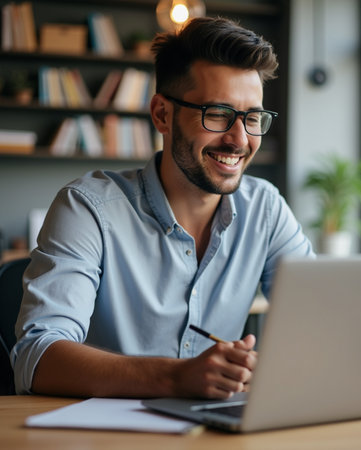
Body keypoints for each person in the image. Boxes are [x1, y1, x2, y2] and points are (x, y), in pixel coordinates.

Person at [12, 17, 314, 398]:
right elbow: (36, 359)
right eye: (218, 113)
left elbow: (320, 318)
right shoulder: (87, 207)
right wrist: (175, 378)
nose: (239, 139)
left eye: (252, 118)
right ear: (162, 115)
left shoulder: (265, 208)